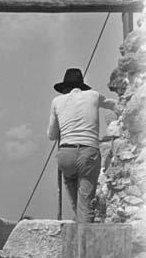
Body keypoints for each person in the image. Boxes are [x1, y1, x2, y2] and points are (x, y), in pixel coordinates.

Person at [47, 68, 116, 223]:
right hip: (88, 154)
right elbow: (111, 104)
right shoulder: (93, 96)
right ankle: (84, 240)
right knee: (85, 204)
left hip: (66, 155)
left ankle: (79, 217)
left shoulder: (57, 101)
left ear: (65, 88)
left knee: (75, 196)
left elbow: (51, 135)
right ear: (81, 86)